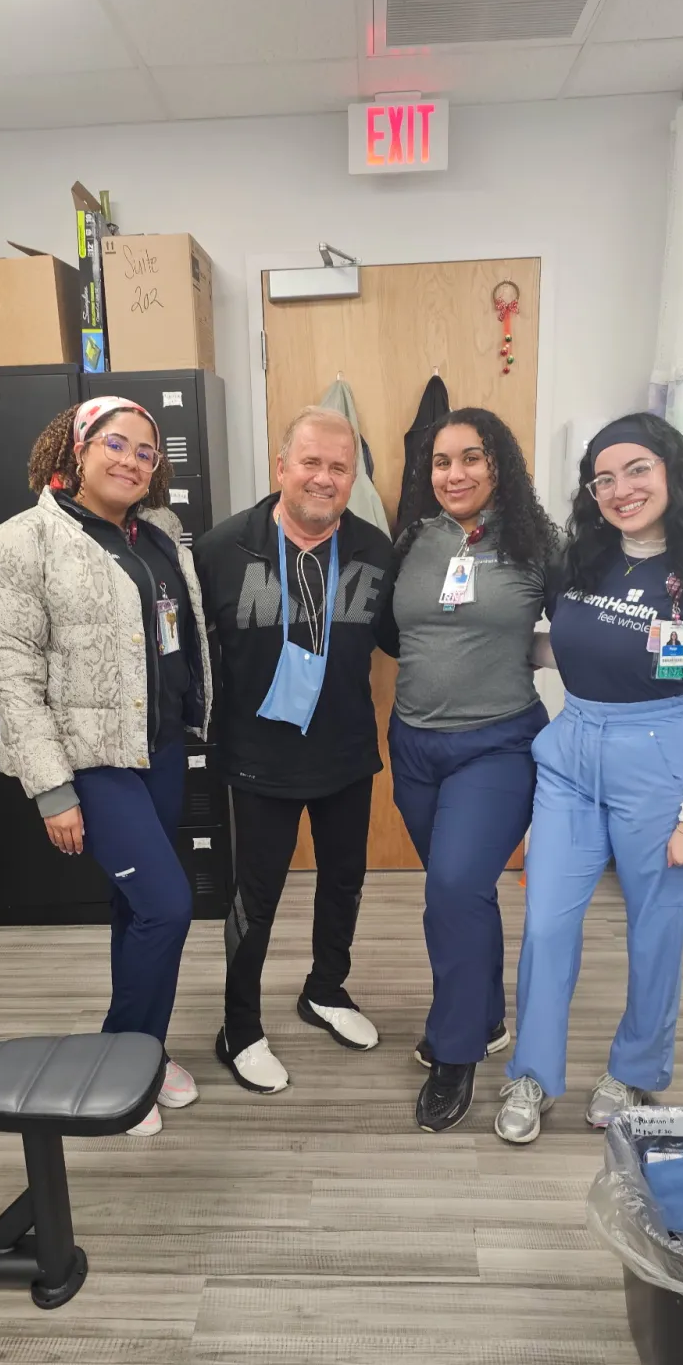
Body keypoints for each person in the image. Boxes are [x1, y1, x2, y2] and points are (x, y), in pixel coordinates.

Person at [496, 412, 683, 1145]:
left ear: (671, 470)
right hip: (574, 752)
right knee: (545, 924)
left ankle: (634, 1066)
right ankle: (534, 1074)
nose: (620, 488)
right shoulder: (581, 560)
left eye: (637, 469)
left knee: (656, 931)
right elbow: (563, 647)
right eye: (603, 478)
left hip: (661, 754)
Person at [0, 396, 212, 1136]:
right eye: (116, 444)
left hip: (160, 751)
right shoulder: (20, 545)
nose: (132, 460)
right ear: (76, 450)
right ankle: (126, 1066)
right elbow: (11, 680)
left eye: (146, 452)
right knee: (168, 906)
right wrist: (52, 791)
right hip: (91, 762)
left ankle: (134, 1046)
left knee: (134, 907)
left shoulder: (160, 535)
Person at [193, 406, 395, 1094]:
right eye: (310, 462)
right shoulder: (222, 550)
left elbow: (406, 636)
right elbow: (187, 655)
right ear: (282, 468)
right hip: (258, 761)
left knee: (344, 884)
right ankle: (239, 1026)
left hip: (344, 753)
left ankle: (325, 990)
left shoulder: (374, 549)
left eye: (340, 467)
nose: (324, 477)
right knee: (257, 897)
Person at [377, 408, 563, 1133]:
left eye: (471, 458)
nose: (454, 474)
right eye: (441, 462)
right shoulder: (413, 541)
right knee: (463, 895)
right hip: (415, 745)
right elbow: (398, 632)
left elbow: (580, 628)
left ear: (499, 465)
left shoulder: (539, 543)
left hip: (498, 745)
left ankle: (455, 1051)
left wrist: (532, 653)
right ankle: (486, 1018)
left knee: (452, 885)